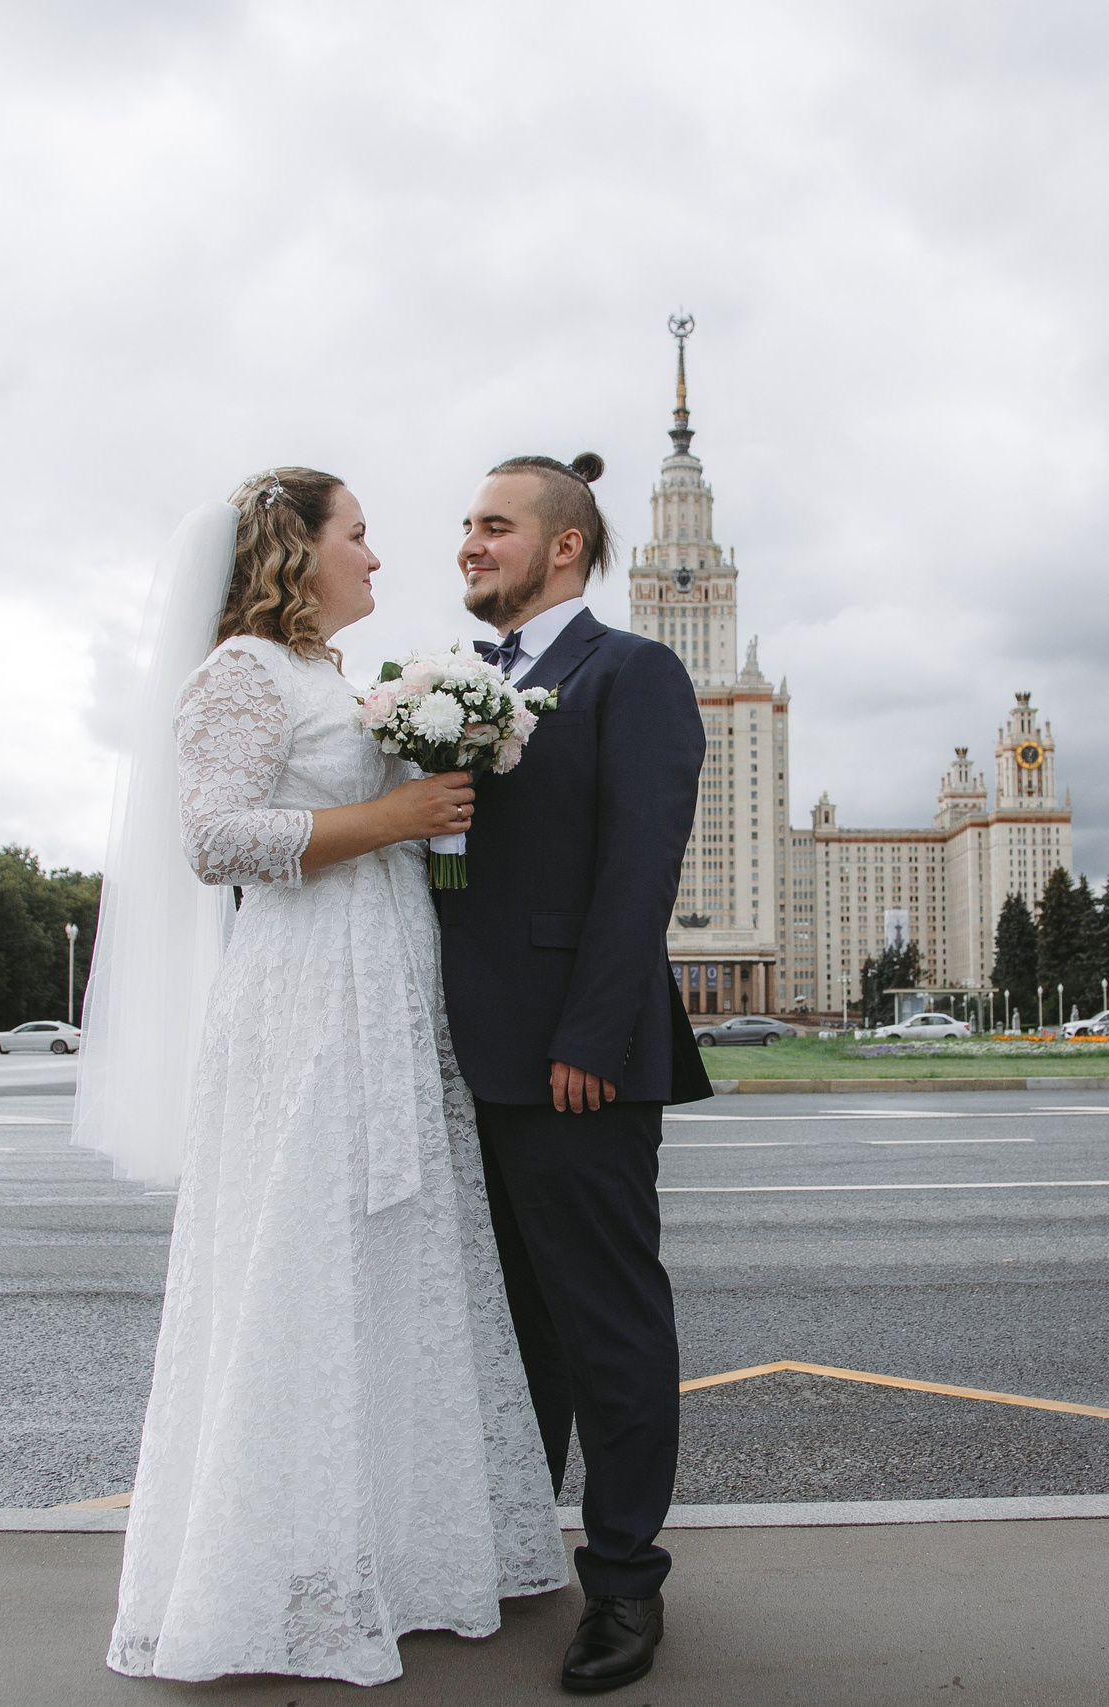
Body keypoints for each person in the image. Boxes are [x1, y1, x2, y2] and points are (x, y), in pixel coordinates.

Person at [79, 469, 565, 1687]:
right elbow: (215, 838)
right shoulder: (241, 671)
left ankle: (380, 1554)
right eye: (358, 536)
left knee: (381, 1263)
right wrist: (396, 818)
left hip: (381, 985)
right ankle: (272, 1575)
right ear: (294, 549)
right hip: (303, 1002)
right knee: (302, 1255)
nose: (377, 559)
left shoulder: (328, 678)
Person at [436, 453, 711, 1695]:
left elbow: (637, 868)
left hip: (572, 1062)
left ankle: (624, 1587)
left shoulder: (630, 672)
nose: (467, 545)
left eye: (493, 526)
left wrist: (591, 1038)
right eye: (463, 526)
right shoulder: (447, 684)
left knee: (602, 1325)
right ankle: (512, 1548)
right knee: (506, 1329)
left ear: (564, 546)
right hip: (454, 1062)